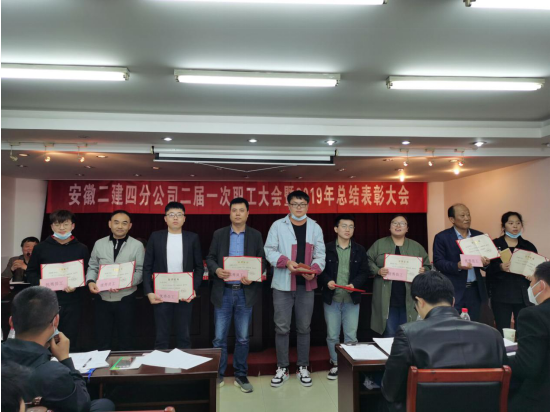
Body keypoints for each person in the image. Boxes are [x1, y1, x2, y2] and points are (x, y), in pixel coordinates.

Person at [381, 271, 507, 412]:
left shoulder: (408, 333)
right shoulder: (493, 334)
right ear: (453, 301)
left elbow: (390, 391)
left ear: (420, 302)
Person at [1, 286, 114, 412]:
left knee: (102, 404)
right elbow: (82, 404)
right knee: (104, 405)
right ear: (55, 321)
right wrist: (65, 359)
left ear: (11, 321)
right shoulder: (55, 373)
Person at [264, 190, 326, 387]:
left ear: (307, 206)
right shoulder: (277, 225)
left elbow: (320, 254)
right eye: (295, 204)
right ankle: (282, 367)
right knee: (282, 328)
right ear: (288, 205)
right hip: (283, 285)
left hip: (306, 286)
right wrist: (286, 262)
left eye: (302, 204)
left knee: (304, 328)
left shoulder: (315, 227)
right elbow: (269, 250)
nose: (299, 207)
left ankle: (302, 366)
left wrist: (313, 270)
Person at [206, 197, 267, 393]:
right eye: (234, 210)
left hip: (244, 292)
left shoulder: (255, 235)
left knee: (243, 338)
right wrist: (216, 270)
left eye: (242, 210)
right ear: (230, 213)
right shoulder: (219, 234)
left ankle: (241, 374)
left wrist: (253, 276)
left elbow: (262, 261)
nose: (238, 213)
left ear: (248, 214)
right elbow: (210, 258)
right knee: (219, 338)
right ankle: (218, 374)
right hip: (223, 292)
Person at [26, 210, 90, 351]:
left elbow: (87, 272)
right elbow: (30, 273)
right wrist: (43, 284)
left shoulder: (81, 248)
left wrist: (77, 285)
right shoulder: (41, 248)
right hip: (47, 302)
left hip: (73, 302)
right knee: (45, 339)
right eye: (57, 224)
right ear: (51, 226)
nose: (61, 228)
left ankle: (69, 363)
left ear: (72, 226)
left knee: (71, 338)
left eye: (65, 224)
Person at [143, 201, 203, 349]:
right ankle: (162, 363)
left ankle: (184, 364)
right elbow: (147, 267)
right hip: (161, 294)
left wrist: (193, 289)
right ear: (165, 218)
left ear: (184, 218)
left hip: (184, 294)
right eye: (171, 214)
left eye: (179, 214)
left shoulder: (192, 238)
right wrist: (149, 292)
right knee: (161, 337)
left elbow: (199, 267)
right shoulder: (156, 237)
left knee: (184, 336)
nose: (175, 218)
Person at [319, 214, 370, 380]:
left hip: (351, 299)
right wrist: (327, 281)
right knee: (332, 335)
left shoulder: (359, 250)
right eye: (344, 226)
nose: (348, 229)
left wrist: (354, 284)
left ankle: (349, 365)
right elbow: (319, 270)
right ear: (336, 229)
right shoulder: (326, 248)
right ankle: (335, 363)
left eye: (351, 227)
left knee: (351, 335)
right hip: (332, 298)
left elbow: (364, 272)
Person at [86, 210, 145, 350]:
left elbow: (140, 270)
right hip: (102, 298)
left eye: (124, 223)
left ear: (130, 226)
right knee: (102, 339)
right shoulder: (99, 243)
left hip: (126, 297)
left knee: (126, 338)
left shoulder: (137, 245)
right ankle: (102, 363)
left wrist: (125, 283)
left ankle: (125, 364)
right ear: (109, 224)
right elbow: (93, 266)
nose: (120, 226)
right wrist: (91, 281)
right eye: (116, 222)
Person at [368, 215, 431, 337]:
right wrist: (378, 271)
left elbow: (428, 266)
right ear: (389, 227)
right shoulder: (379, 244)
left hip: (410, 299)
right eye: (394, 223)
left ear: (407, 228)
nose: (398, 226)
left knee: (408, 334)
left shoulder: (416, 246)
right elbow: (367, 260)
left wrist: (424, 270)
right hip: (386, 299)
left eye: (402, 223)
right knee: (390, 333)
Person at [433, 204, 491, 322]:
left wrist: (486, 264)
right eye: (462, 215)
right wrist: (457, 266)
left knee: (474, 323)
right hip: (453, 289)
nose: (467, 218)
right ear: (452, 219)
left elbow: (487, 262)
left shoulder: (479, 236)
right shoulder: (442, 237)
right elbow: (438, 262)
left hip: (475, 289)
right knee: (453, 323)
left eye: (468, 215)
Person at [486, 211, 538, 335]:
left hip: (522, 295)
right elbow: (486, 268)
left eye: (518, 223)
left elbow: (536, 267)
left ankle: (521, 348)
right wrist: (499, 267)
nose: (515, 226)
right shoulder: (494, 244)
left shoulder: (528, 246)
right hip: (501, 294)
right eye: (511, 223)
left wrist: (533, 275)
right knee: (502, 329)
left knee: (524, 330)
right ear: (503, 226)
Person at [508, 262, 550, 412]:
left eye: (531, 282)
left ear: (541, 285)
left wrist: (500, 358)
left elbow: (527, 367)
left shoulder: (532, 315)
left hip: (540, 398)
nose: (530, 287)